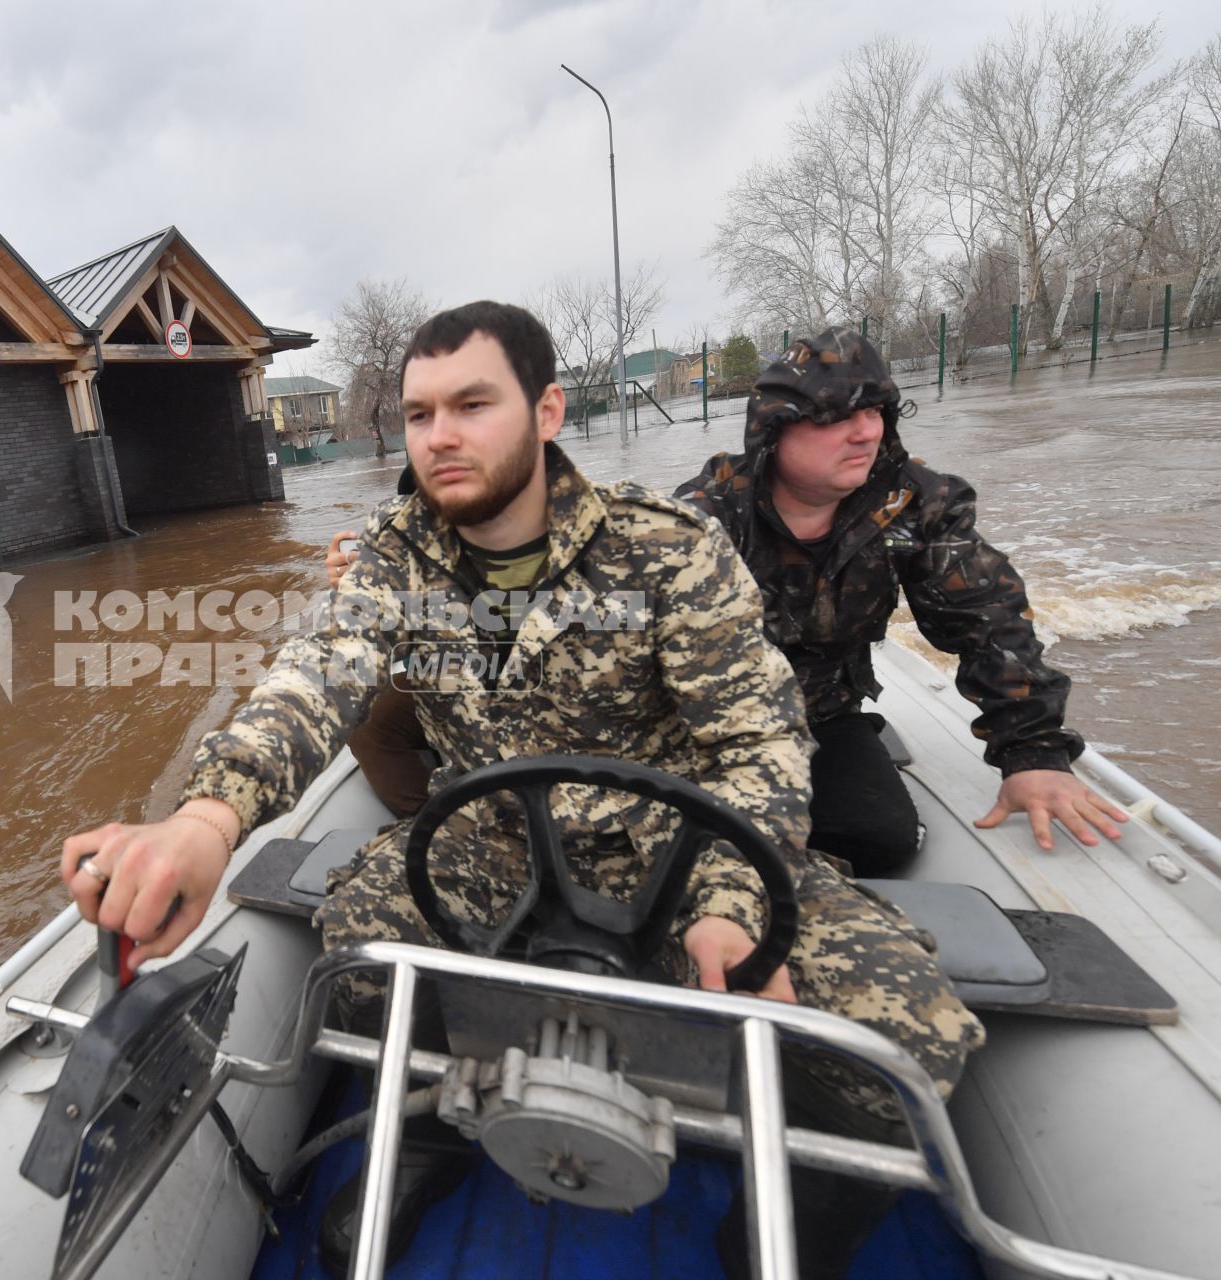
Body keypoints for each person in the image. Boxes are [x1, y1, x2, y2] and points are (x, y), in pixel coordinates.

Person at [61, 302, 982, 1278]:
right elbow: (315, 675)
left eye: (471, 403)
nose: (440, 434)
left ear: (545, 411)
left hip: (679, 855)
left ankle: (803, 1200)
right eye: (419, 413)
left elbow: (758, 737)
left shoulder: (669, 548)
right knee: (362, 937)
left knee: (906, 1025)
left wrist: (734, 901)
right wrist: (209, 818)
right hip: (486, 852)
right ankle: (432, 1132)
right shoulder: (395, 559)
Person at [677, 328, 1126, 873]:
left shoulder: (913, 505)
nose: (865, 432)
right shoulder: (705, 516)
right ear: (775, 428)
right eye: (837, 416)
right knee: (674, 838)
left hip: (821, 716)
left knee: (878, 840)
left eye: (878, 412)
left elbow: (988, 620)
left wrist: (1032, 753)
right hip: (704, 724)